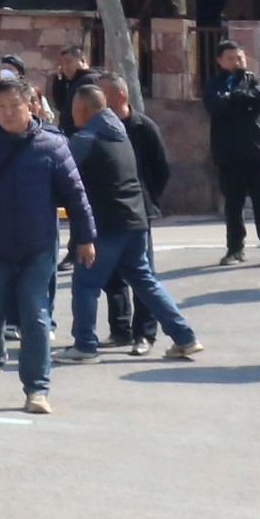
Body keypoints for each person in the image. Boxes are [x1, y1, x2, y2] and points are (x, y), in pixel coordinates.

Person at [0, 78, 96, 416]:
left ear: (31, 106)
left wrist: (85, 237)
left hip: (38, 247)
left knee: (35, 316)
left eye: (15, 106)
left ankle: (36, 389)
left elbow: (76, 195)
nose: (8, 113)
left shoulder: (53, 145)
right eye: (1, 107)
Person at [58, 86, 199, 364]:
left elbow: (60, 174)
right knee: (145, 281)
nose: (71, 113)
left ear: (83, 109)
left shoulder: (85, 138)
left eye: (73, 107)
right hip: (135, 220)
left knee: (85, 285)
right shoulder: (120, 134)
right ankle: (185, 337)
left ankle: (84, 346)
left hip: (106, 223)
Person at [97, 73, 170, 353]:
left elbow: (160, 169)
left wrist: (146, 199)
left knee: (142, 273)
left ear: (120, 96)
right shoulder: (99, 127)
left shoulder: (143, 127)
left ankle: (145, 334)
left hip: (138, 212)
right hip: (106, 210)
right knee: (110, 275)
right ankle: (120, 329)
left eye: (102, 94)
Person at [204, 40, 260, 269]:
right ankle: (235, 249)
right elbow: (215, 106)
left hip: (258, 154)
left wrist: (233, 97)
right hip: (229, 156)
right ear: (220, 61)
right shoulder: (213, 84)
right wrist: (240, 101)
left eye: (240, 58)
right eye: (231, 58)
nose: (237, 62)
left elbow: (259, 97)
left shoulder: (256, 80)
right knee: (233, 206)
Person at [49, 47, 92, 137]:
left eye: (69, 62)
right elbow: (60, 105)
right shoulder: (72, 82)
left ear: (83, 60)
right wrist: (60, 80)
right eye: (62, 64)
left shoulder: (89, 80)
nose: (65, 67)